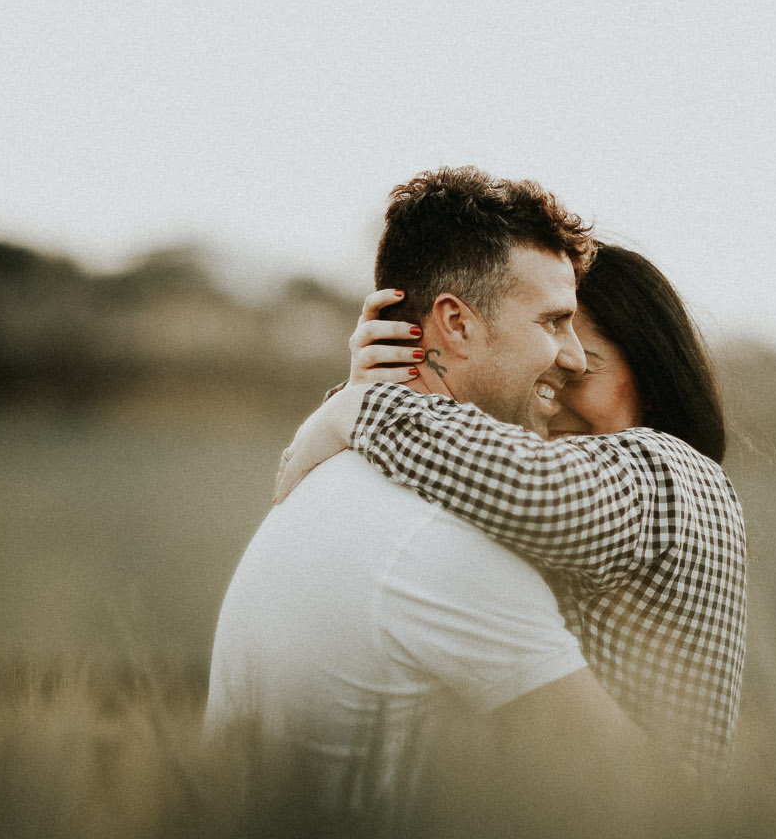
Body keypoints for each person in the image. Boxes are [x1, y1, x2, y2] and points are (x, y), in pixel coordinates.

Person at [205, 168, 644, 803]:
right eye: (553, 322)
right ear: (457, 325)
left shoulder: (338, 476)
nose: (573, 356)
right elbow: (640, 793)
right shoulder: (440, 542)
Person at [275, 244, 747, 770]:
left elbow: (535, 488)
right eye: (542, 374)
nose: (550, 397)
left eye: (580, 373)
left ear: (654, 379)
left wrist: (362, 405)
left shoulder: (670, 476)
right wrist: (402, 373)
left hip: (649, 838)